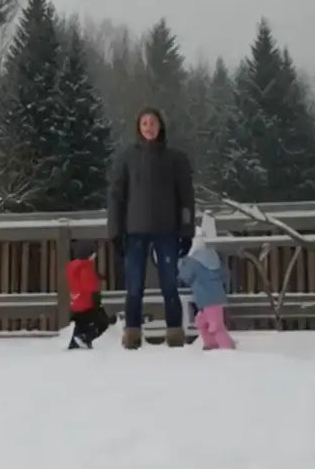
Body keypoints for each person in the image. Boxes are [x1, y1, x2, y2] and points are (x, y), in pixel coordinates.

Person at [107, 106, 195, 349]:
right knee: (134, 286)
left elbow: (186, 198)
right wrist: (114, 231)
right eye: (144, 123)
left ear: (160, 126)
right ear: (138, 127)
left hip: (167, 230)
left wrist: (187, 230)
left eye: (153, 123)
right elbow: (116, 197)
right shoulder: (126, 158)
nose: (149, 127)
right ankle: (132, 332)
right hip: (133, 231)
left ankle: (175, 331)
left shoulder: (176, 159)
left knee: (169, 284)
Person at [178, 233, 236, 350]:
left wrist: (181, 263)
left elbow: (185, 276)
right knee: (201, 321)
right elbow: (225, 275)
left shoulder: (193, 261)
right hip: (216, 298)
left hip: (206, 300)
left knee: (215, 326)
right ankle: (210, 343)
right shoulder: (215, 257)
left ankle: (227, 347)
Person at [65, 241, 115, 349]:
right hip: (87, 304)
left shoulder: (74, 268)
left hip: (76, 303)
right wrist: (97, 303)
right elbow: (90, 288)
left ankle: (75, 343)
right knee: (103, 322)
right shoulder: (85, 269)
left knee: (81, 325)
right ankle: (86, 338)